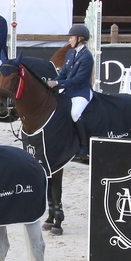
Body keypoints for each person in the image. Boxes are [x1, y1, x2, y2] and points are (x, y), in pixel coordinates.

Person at [47, 24, 94, 161]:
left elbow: (79, 79)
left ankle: (84, 148)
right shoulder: (70, 53)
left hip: (81, 91)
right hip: (69, 90)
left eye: (72, 37)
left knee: (75, 113)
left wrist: (58, 83)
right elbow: (64, 74)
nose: (69, 40)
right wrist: (51, 82)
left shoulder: (87, 57)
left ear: (80, 38)